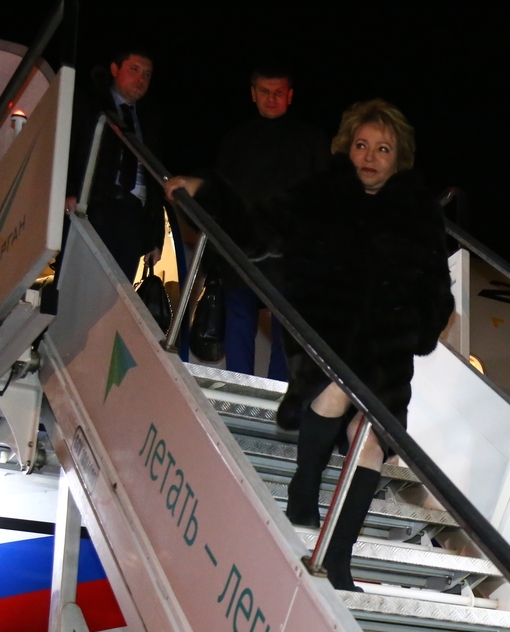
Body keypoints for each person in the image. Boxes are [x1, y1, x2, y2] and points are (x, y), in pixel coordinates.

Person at [167, 99, 453, 591]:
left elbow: (436, 289)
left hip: (386, 351)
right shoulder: (320, 195)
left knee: (370, 439)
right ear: (347, 148)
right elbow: (257, 230)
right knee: (337, 389)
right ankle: (304, 488)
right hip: (326, 337)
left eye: (382, 149)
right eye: (361, 144)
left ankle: (338, 561)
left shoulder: (418, 213)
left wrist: (421, 327)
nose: (370, 156)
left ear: (399, 158)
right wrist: (207, 193)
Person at [212, 65, 329, 380]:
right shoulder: (234, 141)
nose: (271, 98)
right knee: (241, 323)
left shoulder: (312, 139)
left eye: (278, 92)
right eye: (265, 91)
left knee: (286, 331)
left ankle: (275, 394)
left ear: (290, 96)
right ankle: (239, 389)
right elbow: (221, 198)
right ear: (253, 94)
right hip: (242, 254)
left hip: (290, 257)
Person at [65, 48, 164, 279]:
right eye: (134, 69)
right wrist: (69, 189)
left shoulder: (149, 120)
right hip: (95, 206)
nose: (141, 79)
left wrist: (155, 236)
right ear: (114, 69)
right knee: (82, 282)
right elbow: (70, 146)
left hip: (133, 216)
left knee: (118, 290)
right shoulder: (90, 104)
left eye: (147, 74)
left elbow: (155, 180)